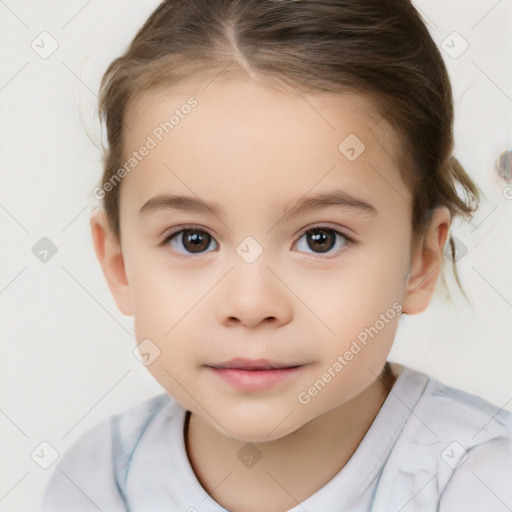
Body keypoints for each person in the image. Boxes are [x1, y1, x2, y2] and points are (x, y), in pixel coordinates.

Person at [41, 0, 512, 510]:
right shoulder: (100, 482)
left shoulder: (479, 484)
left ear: (420, 262)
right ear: (120, 265)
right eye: (193, 239)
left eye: (321, 239)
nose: (251, 303)